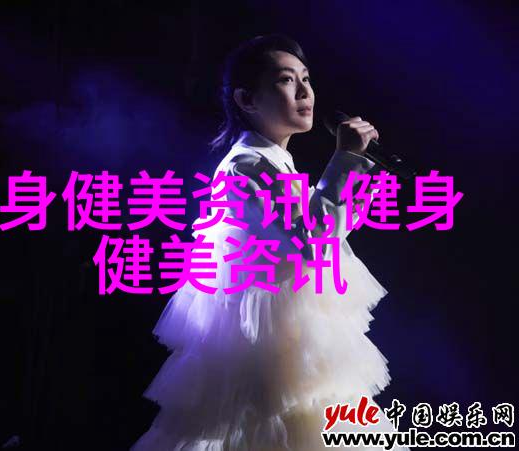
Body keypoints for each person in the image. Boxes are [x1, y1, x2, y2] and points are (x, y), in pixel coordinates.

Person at [131, 34, 409, 451]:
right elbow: (311, 241)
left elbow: (328, 233)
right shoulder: (246, 165)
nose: (304, 92)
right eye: (285, 80)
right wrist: (345, 160)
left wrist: (361, 168)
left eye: (306, 79)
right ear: (246, 100)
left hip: (293, 324)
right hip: (264, 336)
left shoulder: (275, 160)